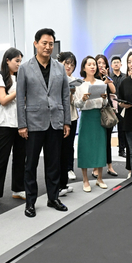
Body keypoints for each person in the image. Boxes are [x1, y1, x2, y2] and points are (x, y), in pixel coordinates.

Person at [17, 28, 71, 218]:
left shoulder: (59, 67)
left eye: (51, 44)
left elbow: (65, 95)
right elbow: (20, 98)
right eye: (44, 43)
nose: (48, 47)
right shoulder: (25, 68)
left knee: (54, 163)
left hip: (55, 122)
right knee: (30, 164)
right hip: (33, 123)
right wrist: (22, 124)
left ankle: (53, 197)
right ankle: (30, 202)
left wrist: (66, 121)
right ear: (36, 44)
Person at [0, 48, 26, 208]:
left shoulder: (20, 76)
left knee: (21, 158)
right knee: (2, 158)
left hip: (21, 122)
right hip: (5, 123)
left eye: (20, 61)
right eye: (16, 60)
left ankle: (18, 188)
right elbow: (3, 100)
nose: (19, 64)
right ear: (7, 60)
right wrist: (19, 91)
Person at [75, 56, 109, 192]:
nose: (93, 67)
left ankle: (99, 178)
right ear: (84, 68)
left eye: (94, 64)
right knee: (85, 147)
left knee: (100, 147)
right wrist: (83, 99)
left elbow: (105, 104)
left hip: (98, 116)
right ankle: (85, 180)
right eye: (89, 64)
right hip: (87, 117)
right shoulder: (80, 85)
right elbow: (76, 104)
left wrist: (104, 99)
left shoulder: (101, 83)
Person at [93, 54, 118, 177]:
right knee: (97, 141)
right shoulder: (93, 78)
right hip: (96, 111)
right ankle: (95, 167)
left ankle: (110, 166)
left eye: (103, 63)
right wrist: (103, 81)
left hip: (107, 111)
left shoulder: (107, 77)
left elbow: (113, 90)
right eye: (99, 63)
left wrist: (107, 77)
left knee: (107, 140)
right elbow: (96, 92)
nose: (101, 65)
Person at [57, 51, 78, 191]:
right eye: (67, 63)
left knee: (69, 145)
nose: (69, 66)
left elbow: (73, 102)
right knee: (59, 148)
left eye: (72, 64)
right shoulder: (57, 78)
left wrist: (72, 93)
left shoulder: (74, 80)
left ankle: (68, 172)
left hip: (71, 116)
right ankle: (58, 180)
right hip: (58, 118)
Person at [110, 56, 127, 158]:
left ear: (121, 64)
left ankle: (122, 150)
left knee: (122, 129)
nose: (116, 64)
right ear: (111, 65)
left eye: (118, 62)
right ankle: (108, 151)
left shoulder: (125, 77)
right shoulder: (108, 77)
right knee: (109, 128)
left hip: (121, 106)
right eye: (114, 62)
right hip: (111, 106)